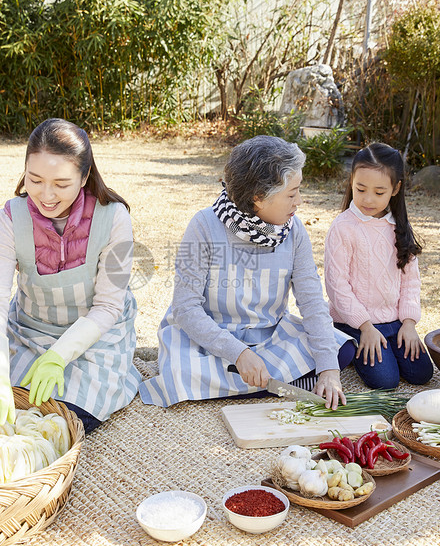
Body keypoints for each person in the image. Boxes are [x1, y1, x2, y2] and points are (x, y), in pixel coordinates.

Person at [138, 135, 349, 409]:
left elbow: (311, 302)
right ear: (258, 198)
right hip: (211, 339)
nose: (300, 201)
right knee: (179, 375)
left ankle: (244, 384)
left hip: (268, 334)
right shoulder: (204, 226)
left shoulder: (294, 230)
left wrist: (329, 372)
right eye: (292, 193)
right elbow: (185, 309)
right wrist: (238, 354)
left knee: (340, 352)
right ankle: (264, 382)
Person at [0, 118, 139, 435]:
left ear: (84, 176)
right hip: (30, 332)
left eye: (61, 184)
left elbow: (107, 306)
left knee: (64, 419)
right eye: (34, 180)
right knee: (13, 411)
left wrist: (58, 357)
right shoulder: (10, 218)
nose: (46, 195)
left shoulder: (113, 218)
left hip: (96, 340)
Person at [323, 142, 434, 390]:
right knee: (386, 381)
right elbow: (336, 286)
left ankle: (384, 347)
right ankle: (348, 344)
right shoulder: (343, 228)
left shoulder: (398, 226)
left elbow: (410, 281)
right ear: (351, 181)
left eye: (379, 192)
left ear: (395, 189)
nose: (368, 199)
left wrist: (408, 323)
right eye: (360, 189)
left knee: (422, 373)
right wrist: (365, 327)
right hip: (356, 323)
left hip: (395, 322)